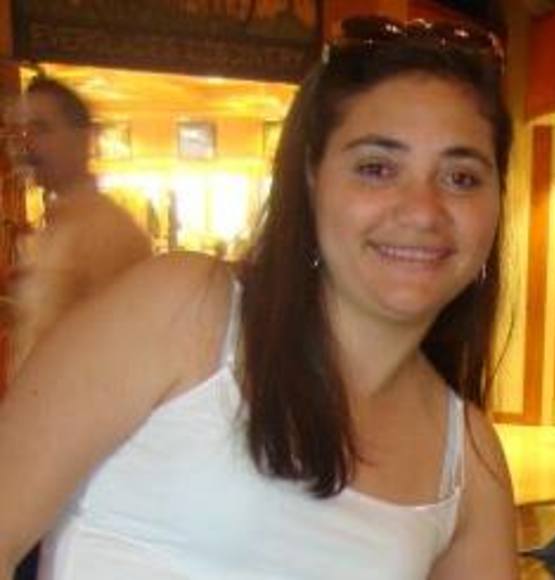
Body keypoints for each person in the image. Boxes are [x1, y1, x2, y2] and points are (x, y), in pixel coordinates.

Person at [0, 16, 518, 579]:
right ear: (311, 178)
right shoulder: (186, 310)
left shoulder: (469, 464)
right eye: (376, 168)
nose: (422, 210)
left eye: (462, 178)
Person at [7, 76, 152, 378]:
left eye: (41, 129)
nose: (26, 144)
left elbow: (122, 355)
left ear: (83, 139)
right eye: (21, 132)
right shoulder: (56, 225)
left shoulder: (108, 230)